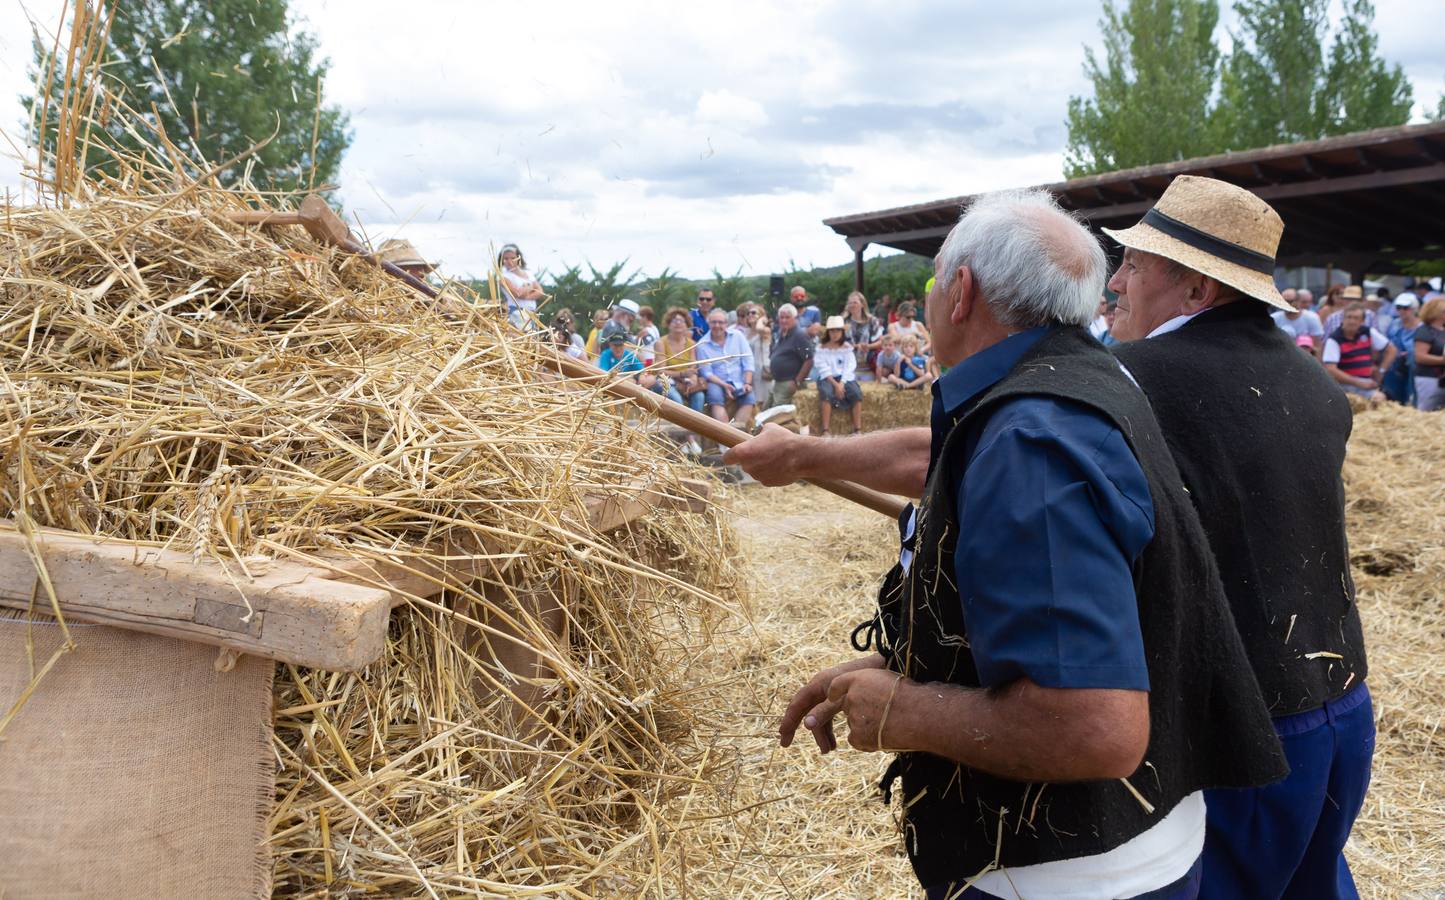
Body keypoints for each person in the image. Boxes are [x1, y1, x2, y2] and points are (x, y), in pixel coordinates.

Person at [729, 188, 1286, 900]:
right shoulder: (1079, 384)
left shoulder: (1031, 438)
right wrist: (903, 662)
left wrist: (907, 709)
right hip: (1134, 838)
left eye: (934, 280)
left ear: (959, 292)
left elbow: (1093, 726)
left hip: (1064, 871)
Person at [1102, 175, 1373, 899]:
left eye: (1134, 264)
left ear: (1196, 290)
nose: (1115, 281)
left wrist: (815, 459)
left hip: (1243, 727)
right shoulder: (1316, 383)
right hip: (1341, 707)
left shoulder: (1131, 379)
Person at [695, 309, 756, 427]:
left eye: (720, 322)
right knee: (715, 397)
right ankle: (724, 436)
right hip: (717, 381)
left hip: (738, 379)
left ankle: (736, 434)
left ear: (726, 324)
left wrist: (747, 382)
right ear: (709, 323)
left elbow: (748, 360)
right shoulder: (702, 345)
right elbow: (706, 373)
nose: (717, 325)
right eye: (713, 322)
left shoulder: (738, 336)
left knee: (750, 397)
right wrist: (724, 385)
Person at [1322, 303, 1395, 401]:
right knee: (1378, 398)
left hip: (1366, 382)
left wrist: (1381, 371)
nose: (1351, 321)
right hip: (1345, 385)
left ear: (1362, 321)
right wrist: (1359, 383)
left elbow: (1391, 350)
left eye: (1356, 318)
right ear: (1342, 319)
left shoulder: (1368, 332)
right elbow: (1331, 369)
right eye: (1349, 317)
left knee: (1386, 397)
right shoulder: (1334, 339)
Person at [813, 316, 863, 435]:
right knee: (826, 393)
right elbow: (822, 368)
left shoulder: (847, 348)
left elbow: (849, 366)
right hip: (828, 378)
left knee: (856, 393)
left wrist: (842, 383)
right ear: (828, 332)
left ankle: (857, 429)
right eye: (832, 331)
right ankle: (825, 430)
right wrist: (836, 385)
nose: (835, 334)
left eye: (838, 331)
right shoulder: (821, 348)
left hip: (844, 378)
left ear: (842, 332)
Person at [765, 303, 814, 408]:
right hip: (777, 382)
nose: (783, 320)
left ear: (795, 318)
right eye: (781, 317)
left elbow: (809, 360)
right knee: (764, 412)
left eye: (787, 317)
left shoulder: (799, 335)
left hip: (788, 383)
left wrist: (797, 382)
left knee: (775, 415)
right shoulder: (781, 333)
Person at [1381, 296, 1421, 406]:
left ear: (1414, 309)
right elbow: (1388, 343)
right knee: (1393, 395)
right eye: (1399, 307)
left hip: (1413, 366)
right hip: (1395, 366)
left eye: (1405, 307)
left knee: (1412, 394)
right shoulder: (1394, 324)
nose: (1402, 311)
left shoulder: (1421, 326)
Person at [497, 243, 545, 329]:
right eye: (506, 258)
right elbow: (517, 293)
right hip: (517, 312)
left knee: (533, 339)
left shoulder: (529, 273)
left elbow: (540, 292)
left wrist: (525, 294)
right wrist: (530, 287)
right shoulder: (503, 277)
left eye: (512, 258)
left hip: (532, 313)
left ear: (518, 258)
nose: (509, 261)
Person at [1272, 286, 1325, 357]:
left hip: (1305, 359)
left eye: (1289, 301)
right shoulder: (1274, 318)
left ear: (1298, 301)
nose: (1285, 304)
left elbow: (1317, 347)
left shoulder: (1312, 318)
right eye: (1283, 301)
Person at [738, 303, 774, 405]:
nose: (750, 315)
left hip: (761, 370)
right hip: (748, 370)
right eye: (748, 313)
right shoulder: (745, 332)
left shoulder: (765, 331)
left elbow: (759, 328)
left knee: (762, 402)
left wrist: (762, 320)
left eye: (754, 313)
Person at [1414, 296, 1445, 412]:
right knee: (1426, 410)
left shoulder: (1443, 330)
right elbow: (1420, 357)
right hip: (1429, 378)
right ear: (1436, 313)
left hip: (1441, 379)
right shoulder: (1425, 331)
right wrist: (1442, 360)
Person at [843, 291, 882, 377]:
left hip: (868, 366)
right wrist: (855, 346)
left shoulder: (872, 320)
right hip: (847, 366)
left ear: (862, 304)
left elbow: (880, 342)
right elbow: (837, 343)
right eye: (850, 303)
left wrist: (868, 346)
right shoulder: (843, 321)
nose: (852, 305)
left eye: (855, 302)